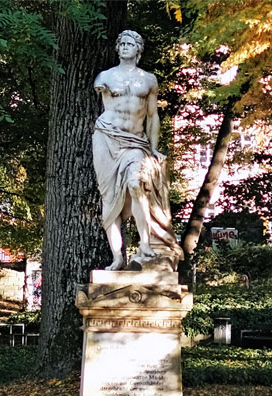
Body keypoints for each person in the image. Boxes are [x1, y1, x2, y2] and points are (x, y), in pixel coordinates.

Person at [93, 30, 183, 271]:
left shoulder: (148, 80)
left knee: (136, 184)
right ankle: (118, 258)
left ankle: (145, 244)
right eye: (120, 43)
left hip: (135, 142)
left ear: (138, 49)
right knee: (110, 199)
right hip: (107, 138)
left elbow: (152, 116)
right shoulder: (106, 76)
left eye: (129, 43)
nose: (124, 47)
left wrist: (153, 148)